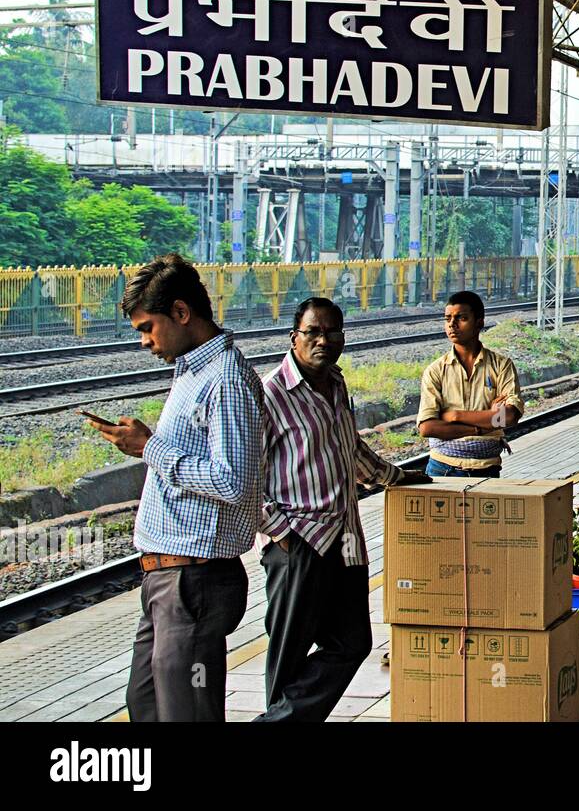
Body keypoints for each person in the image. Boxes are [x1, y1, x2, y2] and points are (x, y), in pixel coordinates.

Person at [84, 254, 263, 722]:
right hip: (166, 579)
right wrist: (148, 444)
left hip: (194, 581)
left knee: (186, 713)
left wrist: (150, 448)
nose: (145, 341)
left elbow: (234, 481)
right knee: (146, 705)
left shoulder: (225, 379)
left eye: (148, 327)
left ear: (182, 313)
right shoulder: (192, 370)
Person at [258, 297, 426, 722]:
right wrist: (281, 532)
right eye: (313, 332)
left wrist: (394, 476)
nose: (323, 340)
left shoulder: (336, 383)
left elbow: (348, 448)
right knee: (289, 655)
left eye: (333, 332)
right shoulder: (270, 394)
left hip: (346, 539)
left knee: (352, 641)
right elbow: (246, 479)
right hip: (299, 543)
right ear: (294, 337)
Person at [417, 290, 524, 478]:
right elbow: (428, 428)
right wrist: (484, 424)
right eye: (448, 318)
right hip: (442, 468)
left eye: (461, 318)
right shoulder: (435, 371)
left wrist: (455, 416)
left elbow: (508, 417)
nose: (452, 324)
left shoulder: (501, 365)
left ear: (479, 323)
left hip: (487, 470)